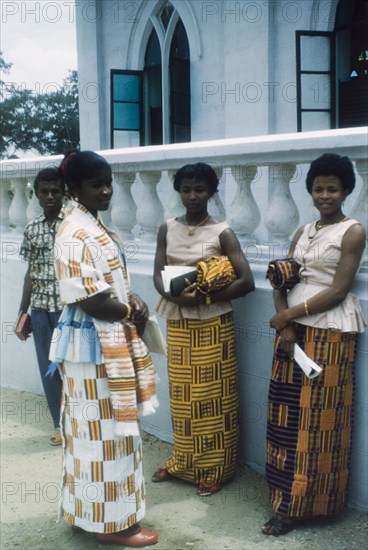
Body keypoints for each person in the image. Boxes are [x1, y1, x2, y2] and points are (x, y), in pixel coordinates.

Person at [51, 150, 159, 547]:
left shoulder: (89, 226)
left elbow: (107, 289)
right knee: (108, 434)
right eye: (97, 183)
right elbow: (93, 301)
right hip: (95, 345)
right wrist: (133, 308)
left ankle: (89, 514)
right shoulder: (75, 233)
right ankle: (115, 526)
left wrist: (131, 303)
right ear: (73, 189)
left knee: (88, 434)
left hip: (98, 343)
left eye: (108, 181)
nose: (107, 189)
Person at [262, 153, 366, 536]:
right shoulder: (303, 231)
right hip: (292, 330)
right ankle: (282, 498)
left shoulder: (352, 231)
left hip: (329, 330)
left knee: (319, 419)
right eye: (319, 188)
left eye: (333, 188)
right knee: (285, 414)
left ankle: (314, 505)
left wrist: (289, 316)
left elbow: (339, 290)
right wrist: (285, 324)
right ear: (310, 191)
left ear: (346, 191)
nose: (325, 195)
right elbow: (281, 277)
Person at [152, 162, 255, 496]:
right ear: (178, 191)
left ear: (211, 192)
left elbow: (246, 281)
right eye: (186, 189)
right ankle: (183, 461)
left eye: (199, 189)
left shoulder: (221, 231)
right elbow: (157, 274)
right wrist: (172, 294)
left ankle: (215, 468)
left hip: (213, 322)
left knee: (212, 395)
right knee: (183, 395)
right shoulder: (166, 228)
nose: (192, 196)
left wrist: (206, 297)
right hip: (178, 319)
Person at [17, 168, 65, 446]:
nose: (49, 196)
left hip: (68, 309)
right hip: (40, 310)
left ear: (63, 192)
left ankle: (79, 423)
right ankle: (59, 425)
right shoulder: (32, 228)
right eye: (44, 191)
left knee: (71, 367)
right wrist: (22, 312)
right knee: (48, 370)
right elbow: (30, 273)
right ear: (36, 194)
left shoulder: (71, 225)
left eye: (55, 191)